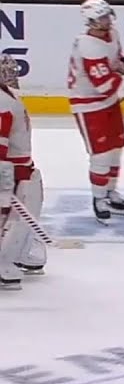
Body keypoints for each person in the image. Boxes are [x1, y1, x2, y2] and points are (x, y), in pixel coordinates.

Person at [67, 0, 124, 223]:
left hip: (109, 101)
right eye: (102, 17)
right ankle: (98, 198)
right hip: (89, 104)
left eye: (108, 15)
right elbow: (103, 84)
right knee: (101, 155)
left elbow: (119, 60)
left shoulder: (112, 34)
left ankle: (110, 191)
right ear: (92, 22)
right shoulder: (87, 45)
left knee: (116, 148)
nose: (108, 20)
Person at [0, 54, 46, 289]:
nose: (10, 73)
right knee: (10, 217)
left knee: (26, 215)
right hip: (13, 170)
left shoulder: (10, 96)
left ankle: (18, 253)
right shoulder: (2, 102)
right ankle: (3, 261)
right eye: (4, 70)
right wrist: (5, 182)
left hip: (22, 168)